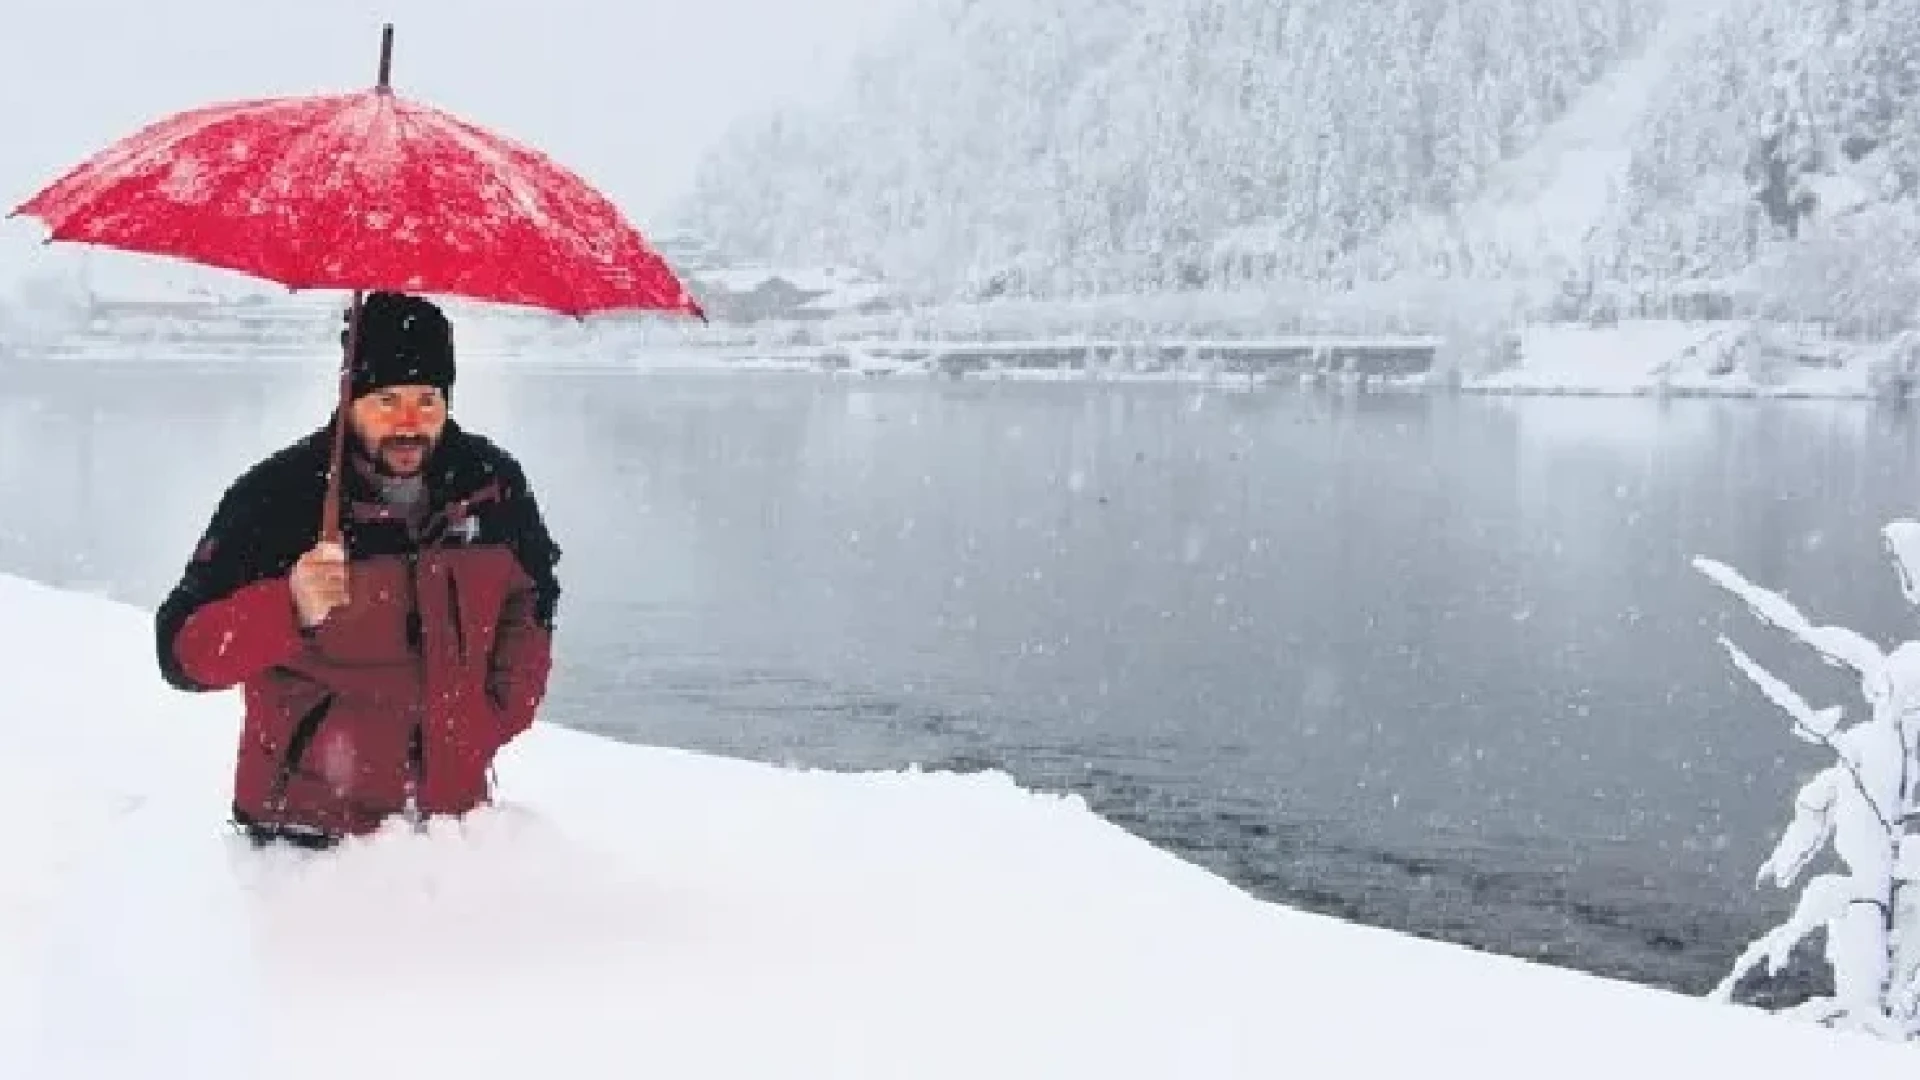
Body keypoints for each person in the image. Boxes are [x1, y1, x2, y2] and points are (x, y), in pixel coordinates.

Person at [154, 291, 562, 850]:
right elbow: (181, 653)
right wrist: (288, 606)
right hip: (306, 838)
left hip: (448, 826)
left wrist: (492, 717)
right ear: (349, 397)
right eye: (387, 400)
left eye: (427, 400)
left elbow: (534, 600)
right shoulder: (282, 495)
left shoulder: (491, 485)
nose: (409, 423)